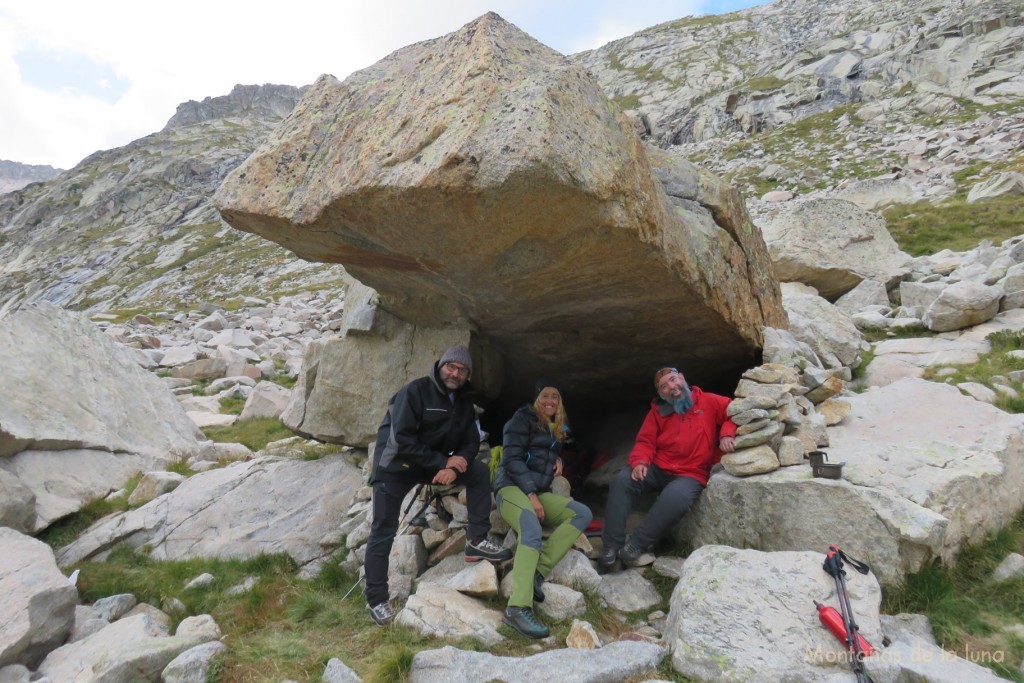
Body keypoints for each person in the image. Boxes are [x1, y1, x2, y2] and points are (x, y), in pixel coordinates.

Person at [364, 344, 513, 626]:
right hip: (396, 466)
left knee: (479, 473)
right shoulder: (414, 392)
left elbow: (471, 441)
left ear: (467, 375)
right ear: (441, 366)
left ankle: (477, 540)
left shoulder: (464, 403)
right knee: (383, 529)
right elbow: (402, 441)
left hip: (434, 466)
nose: (455, 373)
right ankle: (377, 599)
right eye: (451, 367)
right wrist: (442, 464)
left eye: (462, 370)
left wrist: (458, 462)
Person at [598, 367, 736, 570]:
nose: (672, 387)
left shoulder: (708, 400)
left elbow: (733, 412)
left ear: (682, 378)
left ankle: (637, 544)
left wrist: (726, 434)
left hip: (691, 472)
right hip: (659, 468)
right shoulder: (658, 411)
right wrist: (641, 462)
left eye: (673, 380)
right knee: (622, 480)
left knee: (675, 498)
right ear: (661, 394)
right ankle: (611, 545)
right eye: (664, 386)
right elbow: (645, 441)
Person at [494, 379, 593, 638]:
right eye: (545, 395)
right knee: (530, 526)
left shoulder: (554, 428)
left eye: (556, 397)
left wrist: (558, 458)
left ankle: (537, 571)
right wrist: (531, 496)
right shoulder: (521, 420)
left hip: (538, 491)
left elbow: (538, 455)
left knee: (582, 513)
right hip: (511, 488)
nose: (550, 400)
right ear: (537, 398)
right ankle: (517, 608)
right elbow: (512, 459)